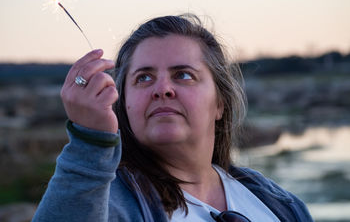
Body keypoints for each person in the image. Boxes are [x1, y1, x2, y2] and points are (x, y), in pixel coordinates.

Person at [32, 14, 313, 222]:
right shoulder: (102, 204)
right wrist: (89, 143)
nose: (162, 89)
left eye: (183, 75)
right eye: (144, 78)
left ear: (220, 104)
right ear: (124, 103)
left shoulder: (280, 205)